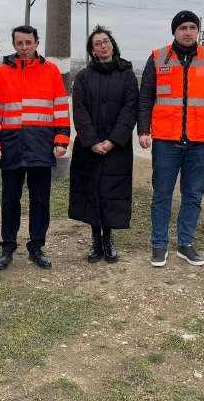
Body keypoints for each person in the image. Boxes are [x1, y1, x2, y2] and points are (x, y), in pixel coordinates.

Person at [137, 11, 204, 268]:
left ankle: (186, 243)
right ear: (174, 32)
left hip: (199, 140)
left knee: (193, 194)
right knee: (162, 195)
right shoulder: (158, 57)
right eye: (182, 28)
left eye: (192, 27)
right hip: (165, 140)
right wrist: (143, 130)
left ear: (198, 31)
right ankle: (159, 245)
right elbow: (145, 96)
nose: (188, 32)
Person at [0, 25, 70, 270]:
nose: (24, 48)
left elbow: (61, 109)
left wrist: (61, 140)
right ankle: (7, 248)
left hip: (42, 147)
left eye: (28, 43)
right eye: (19, 43)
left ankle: (36, 247)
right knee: (10, 199)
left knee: (40, 200)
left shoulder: (51, 71)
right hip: (11, 146)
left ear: (36, 43)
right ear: (13, 45)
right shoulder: (2, 73)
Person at [69, 26, 138, 263]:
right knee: (91, 191)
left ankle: (108, 239)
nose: (103, 45)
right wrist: (92, 142)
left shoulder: (127, 75)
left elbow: (130, 110)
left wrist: (112, 141)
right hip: (89, 148)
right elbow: (79, 111)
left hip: (116, 148)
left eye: (106, 41)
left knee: (111, 192)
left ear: (112, 44)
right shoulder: (83, 77)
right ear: (93, 51)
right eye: (98, 43)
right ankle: (95, 241)